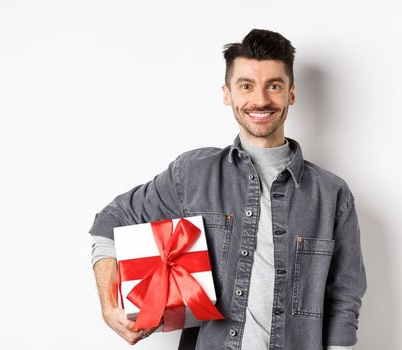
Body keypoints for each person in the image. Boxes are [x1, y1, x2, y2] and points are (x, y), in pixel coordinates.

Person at [88, 29, 366, 350]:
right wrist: (109, 307)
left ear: (291, 93)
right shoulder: (192, 173)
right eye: (246, 86)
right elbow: (110, 220)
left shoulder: (332, 194)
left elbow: (344, 297)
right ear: (227, 93)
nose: (260, 100)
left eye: (273, 86)